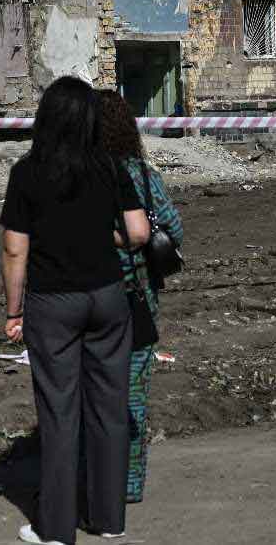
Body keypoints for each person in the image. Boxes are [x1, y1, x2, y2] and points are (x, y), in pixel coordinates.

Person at [0, 77, 150, 545]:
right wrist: (102, 239)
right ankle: (108, 519)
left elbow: (13, 251)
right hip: (107, 295)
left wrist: (13, 309)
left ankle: (56, 527)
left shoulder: (27, 172)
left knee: (59, 413)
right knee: (108, 408)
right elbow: (140, 232)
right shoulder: (108, 166)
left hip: (53, 302)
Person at [95, 90, 183, 505]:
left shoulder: (75, 177)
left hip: (82, 299)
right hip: (137, 301)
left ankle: (92, 481)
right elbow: (173, 232)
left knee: (87, 394)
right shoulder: (144, 176)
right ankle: (128, 486)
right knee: (131, 395)